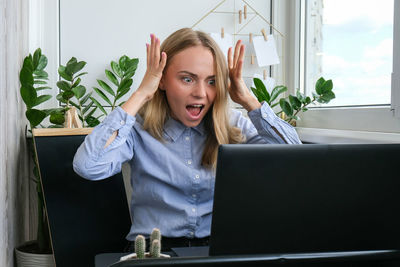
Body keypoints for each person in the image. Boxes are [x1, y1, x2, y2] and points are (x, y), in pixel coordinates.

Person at [73, 28, 301, 252]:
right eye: (187, 79)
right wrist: (142, 93)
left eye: (212, 81)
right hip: (154, 250)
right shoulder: (138, 128)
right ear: (161, 81)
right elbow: (88, 166)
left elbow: (295, 159)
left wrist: (247, 99)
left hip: (218, 250)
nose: (201, 93)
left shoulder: (231, 123)